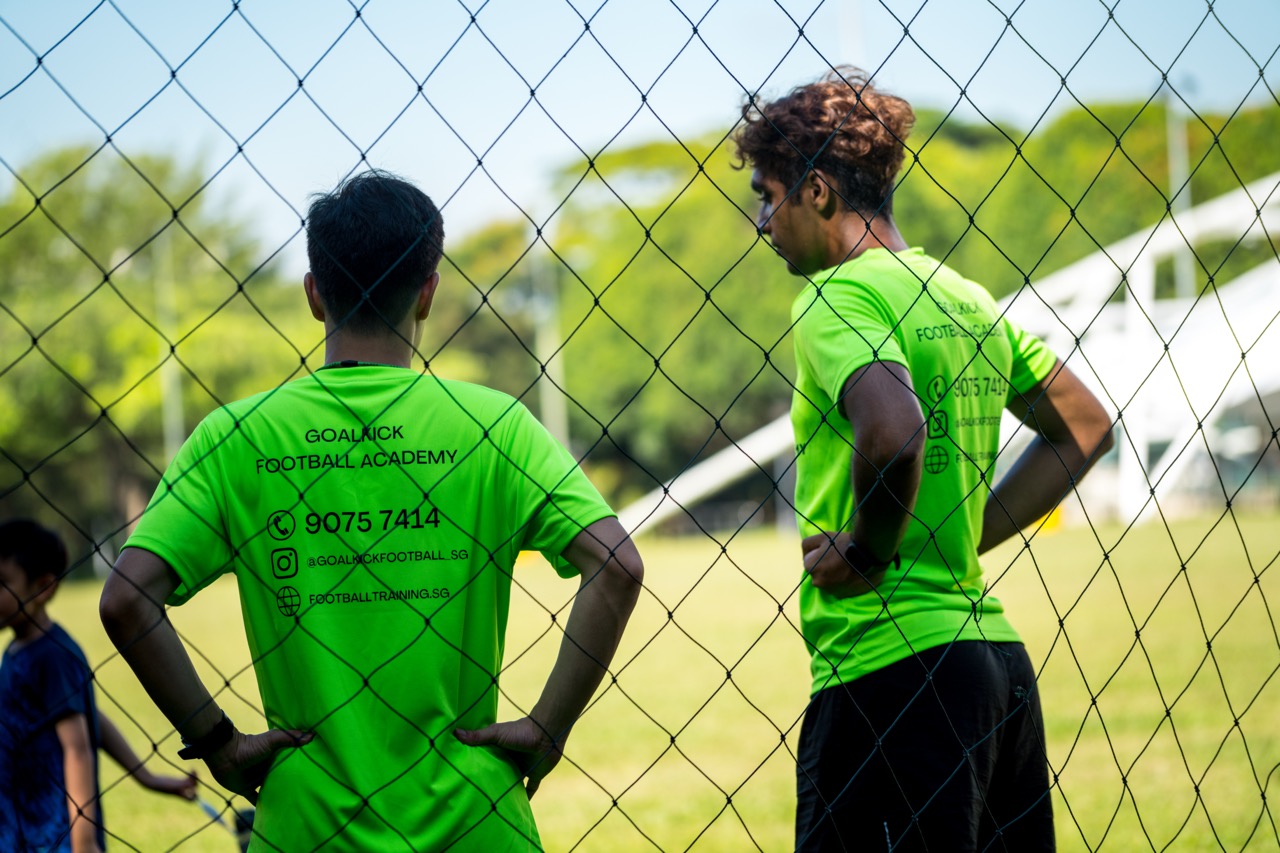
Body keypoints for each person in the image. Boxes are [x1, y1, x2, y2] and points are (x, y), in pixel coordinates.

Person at [99, 171, 644, 851]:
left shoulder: (237, 436)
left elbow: (126, 599)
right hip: (474, 816)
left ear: (314, 295)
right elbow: (617, 565)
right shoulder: (493, 424)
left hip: (307, 821)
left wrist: (218, 742)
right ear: (427, 294)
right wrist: (548, 726)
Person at [733, 68, 1115, 851]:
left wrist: (872, 550)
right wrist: (965, 532)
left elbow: (894, 430)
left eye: (768, 195)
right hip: (995, 669)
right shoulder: (964, 297)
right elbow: (1084, 423)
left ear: (817, 192)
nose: (762, 221)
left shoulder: (837, 297)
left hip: (888, 672)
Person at [1, 518, 196, 853]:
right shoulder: (17, 649)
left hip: (54, 836)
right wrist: (145, 777)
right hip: (17, 821)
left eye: (1, 582)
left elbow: (77, 748)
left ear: (44, 587)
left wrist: (85, 842)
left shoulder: (52, 656)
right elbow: (90, 716)